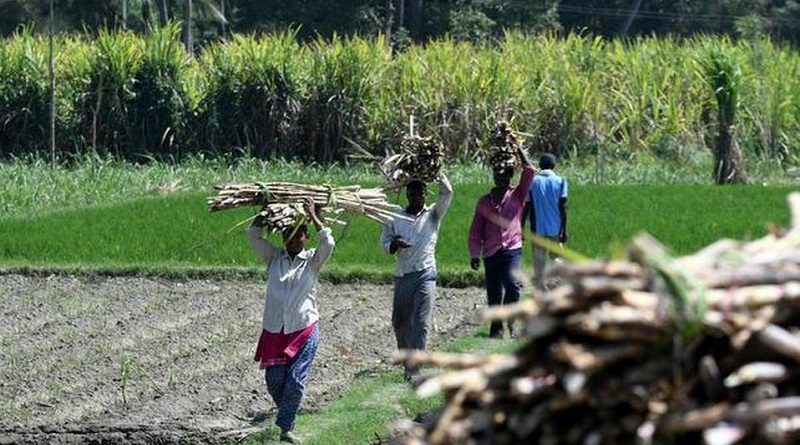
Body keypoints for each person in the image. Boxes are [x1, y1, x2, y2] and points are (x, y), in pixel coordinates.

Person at [248, 197, 335, 444]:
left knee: (296, 380)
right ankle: (289, 409)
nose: (294, 239)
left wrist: (314, 217)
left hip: (304, 328)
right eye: (289, 234)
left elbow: (328, 242)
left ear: (306, 237)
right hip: (275, 329)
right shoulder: (274, 258)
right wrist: (266, 212)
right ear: (283, 237)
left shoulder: (312, 261)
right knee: (275, 382)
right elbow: (253, 236)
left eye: (299, 235)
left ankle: (286, 429)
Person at [380, 174, 453, 381]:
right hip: (403, 274)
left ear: (424, 194)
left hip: (425, 273)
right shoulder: (395, 216)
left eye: (420, 192)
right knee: (400, 322)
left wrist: (438, 174)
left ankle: (415, 368)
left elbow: (447, 192)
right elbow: (384, 244)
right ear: (407, 194)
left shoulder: (433, 215)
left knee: (420, 323)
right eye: (412, 192)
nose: (416, 196)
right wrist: (395, 244)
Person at [468, 146, 535, 339]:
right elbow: (475, 230)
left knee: (513, 286)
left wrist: (519, 150)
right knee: (494, 292)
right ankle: (496, 328)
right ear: (494, 177)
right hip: (490, 251)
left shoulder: (517, 195)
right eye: (498, 175)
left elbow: (530, 171)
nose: (501, 178)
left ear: (510, 176)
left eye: (505, 175)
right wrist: (474, 253)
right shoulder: (484, 202)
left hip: (512, 249)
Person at [523, 152, 568, 292]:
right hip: (555, 227)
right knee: (557, 255)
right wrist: (564, 229)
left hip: (537, 227)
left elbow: (527, 206)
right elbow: (563, 206)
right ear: (553, 166)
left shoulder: (532, 181)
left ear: (540, 165)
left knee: (539, 260)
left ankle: (540, 288)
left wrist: (521, 226)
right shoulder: (561, 181)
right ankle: (559, 282)